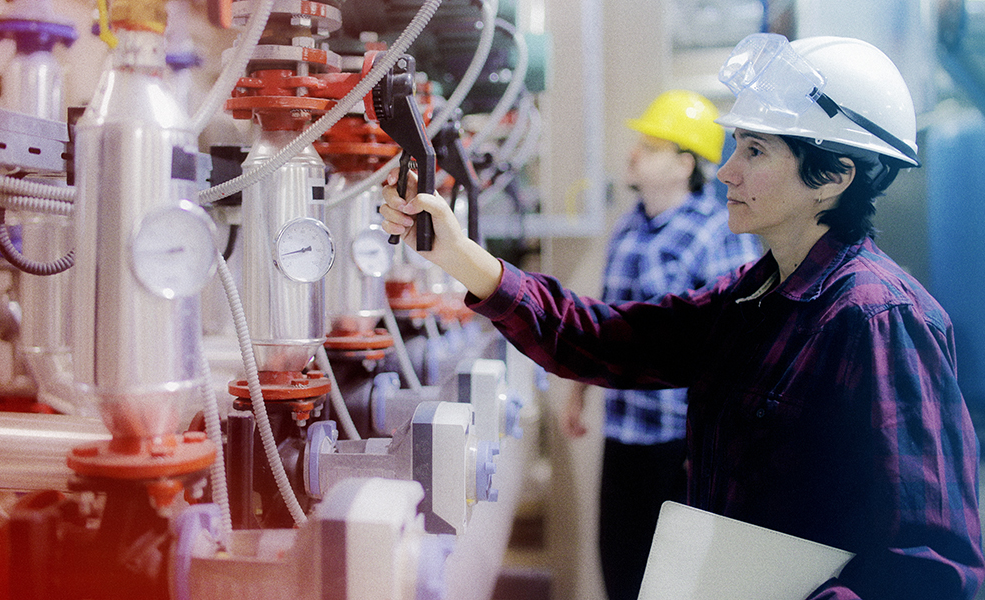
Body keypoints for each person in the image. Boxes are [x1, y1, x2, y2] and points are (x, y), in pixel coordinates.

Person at [381, 34, 985, 600]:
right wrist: (457, 254)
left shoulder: (878, 319)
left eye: (755, 150)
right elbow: (606, 338)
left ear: (834, 176)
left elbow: (931, 564)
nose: (726, 171)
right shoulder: (752, 297)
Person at [559, 89, 763, 600]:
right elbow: (609, 320)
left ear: (683, 164)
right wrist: (581, 389)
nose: (634, 154)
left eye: (650, 147)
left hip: (681, 446)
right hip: (624, 434)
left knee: (673, 583)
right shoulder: (629, 226)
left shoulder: (718, 233)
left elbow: (733, 345)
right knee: (620, 571)